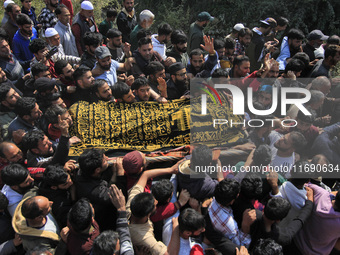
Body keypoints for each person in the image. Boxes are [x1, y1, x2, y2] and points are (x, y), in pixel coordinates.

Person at [75, 148, 117, 231]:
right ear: (97, 170)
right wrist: (117, 174)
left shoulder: (83, 170)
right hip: (104, 221)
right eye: (105, 161)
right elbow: (113, 195)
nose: (108, 159)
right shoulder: (93, 191)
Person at [208, 178, 255, 247]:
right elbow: (241, 246)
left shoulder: (212, 200)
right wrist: (245, 226)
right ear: (232, 201)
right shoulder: (231, 226)